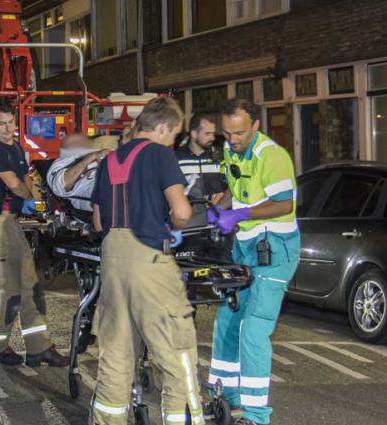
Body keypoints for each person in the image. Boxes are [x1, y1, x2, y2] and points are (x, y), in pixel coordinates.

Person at [90, 97, 205, 425]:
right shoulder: (159, 154)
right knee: (176, 354)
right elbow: (182, 212)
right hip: (150, 262)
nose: (174, 142)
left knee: (115, 357)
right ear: (163, 127)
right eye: (174, 135)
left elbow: (98, 223)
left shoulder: (110, 161)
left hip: (112, 261)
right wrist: (171, 225)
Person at [206, 98, 300, 425]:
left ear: (256, 126)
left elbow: (284, 204)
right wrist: (221, 207)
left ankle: (257, 416)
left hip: (275, 250)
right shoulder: (233, 151)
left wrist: (240, 214)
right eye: (227, 133)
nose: (233, 139)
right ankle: (224, 395)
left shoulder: (271, 156)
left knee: (253, 330)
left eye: (240, 133)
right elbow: (236, 188)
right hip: (245, 248)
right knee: (228, 322)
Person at [0, 98, 68, 367]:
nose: (7, 128)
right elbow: (16, 185)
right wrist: (29, 197)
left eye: (11, 122)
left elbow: (26, 176)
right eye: (1, 124)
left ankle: (39, 347)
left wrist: (29, 196)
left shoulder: (15, 147)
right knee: (7, 290)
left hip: (10, 223)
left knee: (30, 285)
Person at [46, 133, 110, 213]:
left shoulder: (91, 152)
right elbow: (63, 184)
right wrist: (93, 156)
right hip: (93, 193)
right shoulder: (57, 166)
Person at [176, 114, 226, 210]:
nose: (213, 138)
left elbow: (231, 186)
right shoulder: (177, 158)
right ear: (194, 134)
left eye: (213, 133)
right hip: (189, 219)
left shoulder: (221, 156)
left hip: (216, 216)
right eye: (207, 134)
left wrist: (223, 194)